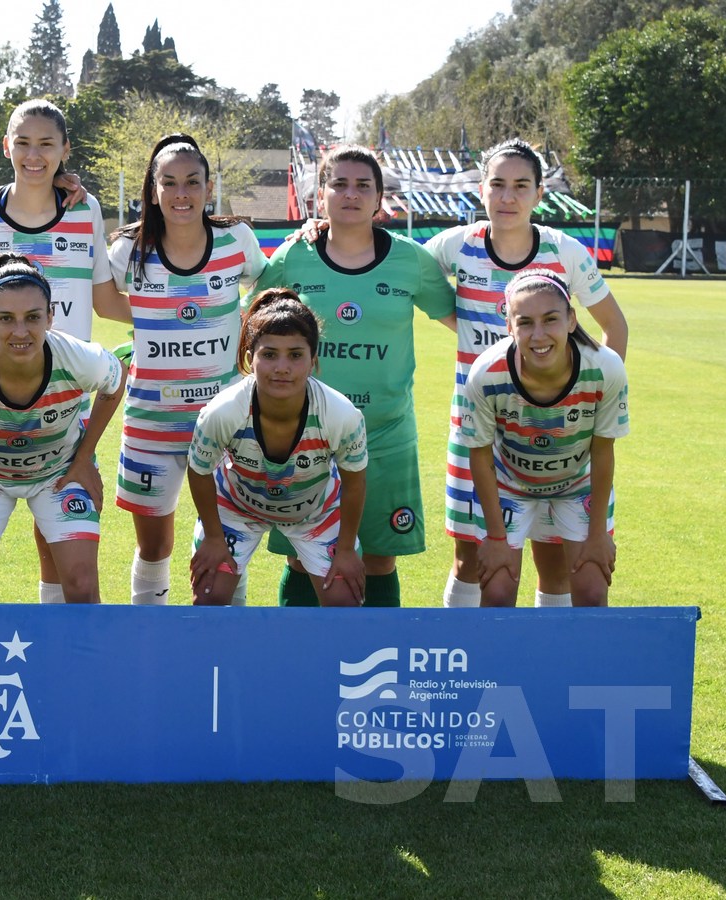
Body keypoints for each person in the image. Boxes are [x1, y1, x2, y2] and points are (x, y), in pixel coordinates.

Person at [0, 98, 130, 604]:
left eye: (46, 144)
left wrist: (180, 314)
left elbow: (105, 300)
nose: (33, 155)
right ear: (6, 146)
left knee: (56, 546)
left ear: (65, 150)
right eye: (23, 142)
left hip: (63, 403)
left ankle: (57, 663)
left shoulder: (84, 208)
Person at [427, 138, 629, 609]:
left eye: (521, 186)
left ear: (539, 194)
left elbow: (614, 327)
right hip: (479, 427)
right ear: (481, 191)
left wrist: (589, 400)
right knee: (472, 556)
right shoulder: (457, 245)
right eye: (497, 185)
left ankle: (545, 672)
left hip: (559, 431)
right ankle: (468, 668)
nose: (507, 197)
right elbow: (399, 265)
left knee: (554, 557)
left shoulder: (564, 250)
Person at [254, 145, 457, 608]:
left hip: (386, 432)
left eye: (363, 185)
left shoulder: (411, 260)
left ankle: (377, 660)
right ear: (320, 196)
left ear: (380, 197)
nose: (351, 194)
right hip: (307, 434)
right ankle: (303, 661)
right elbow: (253, 324)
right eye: (339, 184)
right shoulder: (294, 257)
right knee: (304, 558)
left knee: (381, 557)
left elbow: (464, 324)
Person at [107, 134, 267, 605]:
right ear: (153, 189)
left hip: (224, 425)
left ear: (208, 186)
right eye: (170, 182)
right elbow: (98, 298)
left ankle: (223, 642)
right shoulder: (127, 250)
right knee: (154, 546)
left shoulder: (236, 239)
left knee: (226, 545)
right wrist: (149, 318)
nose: (182, 193)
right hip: (150, 425)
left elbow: (267, 289)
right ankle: (150, 635)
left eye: (192, 182)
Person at [0, 254, 126, 604]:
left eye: (33, 317)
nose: (20, 331)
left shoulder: (78, 358)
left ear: (50, 317)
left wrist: (84, 457)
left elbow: (115, 382)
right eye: (6, 318)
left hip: (56, 474)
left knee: (82, 587)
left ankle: (65, 655)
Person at [455, 268, 628, 606]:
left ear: (572, 320)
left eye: (550, 319)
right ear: (509, 327)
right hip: (510, 484)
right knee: (498, 590)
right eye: (525, 322)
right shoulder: (486, 374)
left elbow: (603, 451)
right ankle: (499, 660)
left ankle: (572, 660)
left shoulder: (605, 368)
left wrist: (597, 535)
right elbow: (480, 456)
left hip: (578, 485)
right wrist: (495, 536)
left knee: (593, 592)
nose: (538, 335)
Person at [188, 289, 367, 606]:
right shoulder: (222, 412)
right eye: (269, 354)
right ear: (249, 358)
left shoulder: (341, 414)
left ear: (313, 359)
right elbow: (199, 472)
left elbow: (354, 483)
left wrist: (347, 548)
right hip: (236, 506)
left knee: (344, 605)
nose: (282, 367)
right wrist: (214, 538)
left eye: (295, 355)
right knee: (210, 599)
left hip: (316, 511)